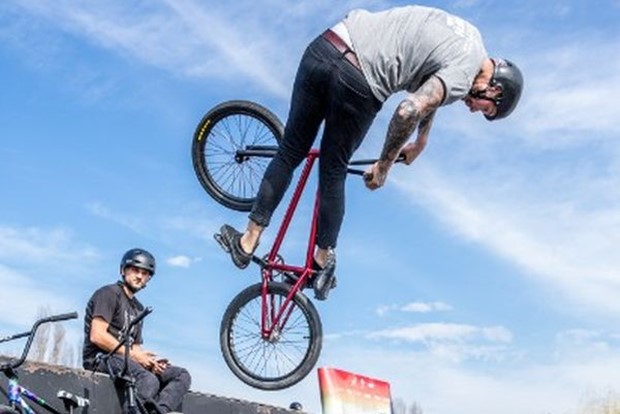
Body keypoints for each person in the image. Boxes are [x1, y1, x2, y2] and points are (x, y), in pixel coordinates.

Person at [218, 5, 523, 300]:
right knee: (333, 170)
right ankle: (322, 263)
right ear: (495, 89)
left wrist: (421, 141)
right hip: (359, 83)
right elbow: (408, 110)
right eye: (487, 110)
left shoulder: (469, 38)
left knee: (290, 151)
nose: (475, 111)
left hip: (327, 46)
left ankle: (247, 242)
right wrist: (384, 165)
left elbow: (433, 87)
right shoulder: (463, 76)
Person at [82, 248, 191, 414]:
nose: (139, 276)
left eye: (145, 273)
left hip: (126, 360)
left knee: (181, 375)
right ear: (123, 270)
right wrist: (136, 356)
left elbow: (136, 349)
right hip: (101, 358)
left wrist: (151, 362)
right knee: (148, 380)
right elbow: (97, 336)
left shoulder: (138, 308)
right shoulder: (109, 293)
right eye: (135, 270)